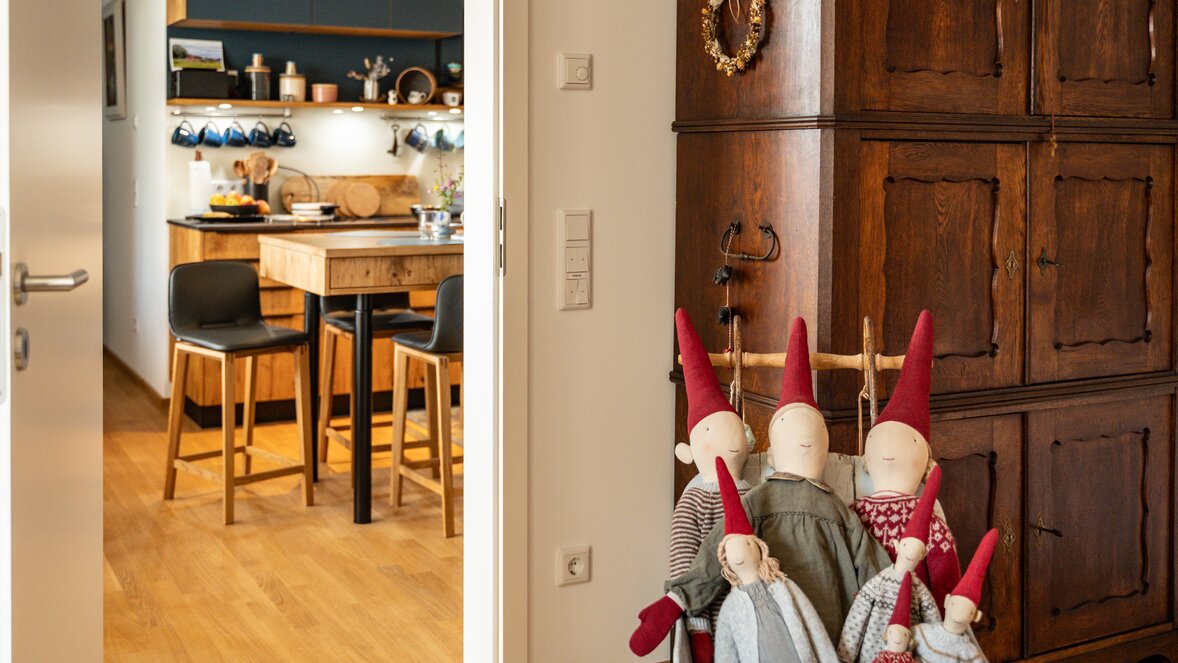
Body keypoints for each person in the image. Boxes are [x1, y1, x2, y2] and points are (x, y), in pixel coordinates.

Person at [631, 317, 891, 658]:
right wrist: (896, 603)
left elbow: (719, 549)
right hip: (824, 630)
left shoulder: (770, 500)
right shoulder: (831, 507)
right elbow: (874, 568)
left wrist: (677, 598)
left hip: (785, 633)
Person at [852, 311, 961, 611]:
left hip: (911, 610)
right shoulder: (855, 512)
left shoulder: (857, 512)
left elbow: (945, 577)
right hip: (868, 609)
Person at [668, 308, 754, 661]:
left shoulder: (753, 492)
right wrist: (696, 624)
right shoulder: (696, 500)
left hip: (753, 606)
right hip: (712, 610)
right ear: (687, 452)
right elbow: (682, 560)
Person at [711, 457, 837, 663]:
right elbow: (725, 652)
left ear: (760, 548)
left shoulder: (782, 586)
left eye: (746, 544)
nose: (739, 553)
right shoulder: (731, 606)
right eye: (732, 549)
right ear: (726, 560)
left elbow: (812, 624)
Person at [838, 467, 945, 662]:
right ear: (897, 546)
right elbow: (858, 615)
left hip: (908, 654)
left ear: (923, 554)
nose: (911, 554)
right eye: (907, 546)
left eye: (918, 550)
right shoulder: (879, 582)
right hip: (872, 654)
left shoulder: (919, 590)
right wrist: (846, 656)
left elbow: (933, 622)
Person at [912, 529, 998, 663]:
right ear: (947, 601)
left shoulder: (969, 653)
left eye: (968, 611)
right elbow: (902, 641)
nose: (960, 613)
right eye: (955, 604)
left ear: (975, 616)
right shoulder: (923, 632)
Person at [870, 574, 917, 663]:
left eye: (905, 635)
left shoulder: (909, 659)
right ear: (886, 636)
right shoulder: (882, 658)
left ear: (909, 641)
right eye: (891, 632)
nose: (898, 637)